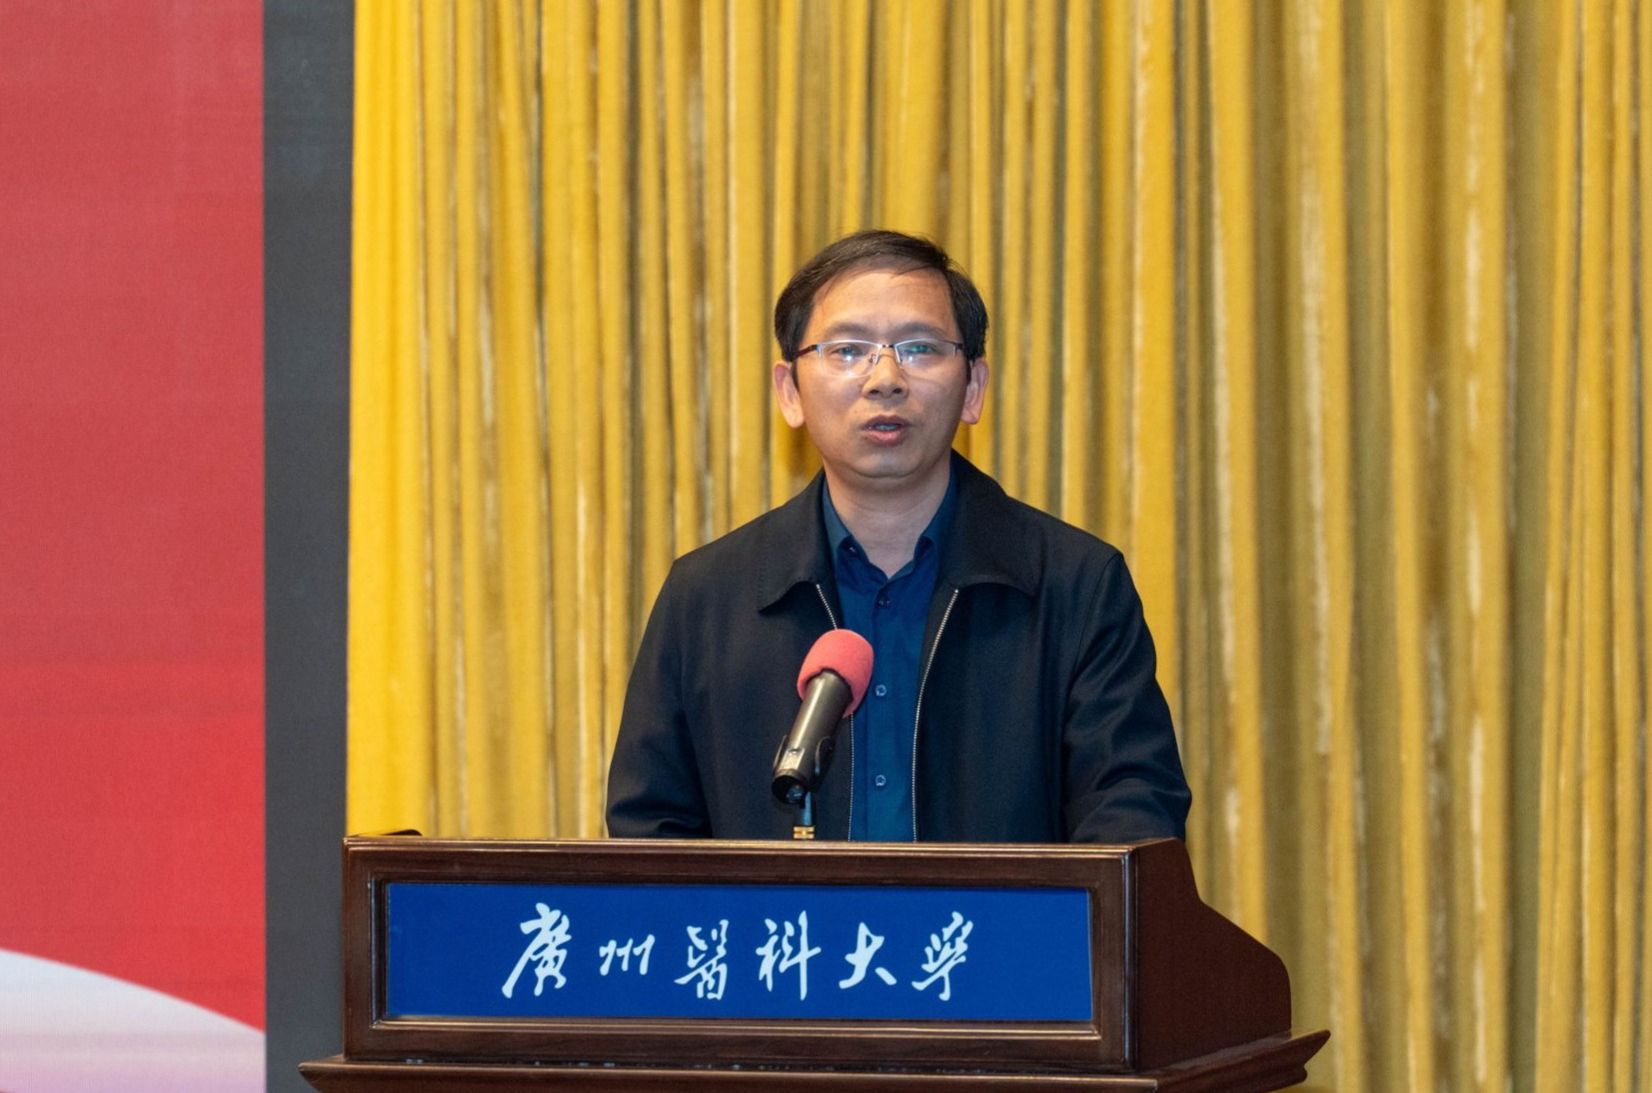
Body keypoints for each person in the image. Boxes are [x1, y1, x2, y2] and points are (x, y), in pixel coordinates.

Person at [606, 230, 1190, 843]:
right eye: (847, 350)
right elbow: (651, 838)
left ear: (973, 388)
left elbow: (1132, 819)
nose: (884, 378)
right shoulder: (706, 598)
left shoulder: (1076, 587)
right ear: (790, 392)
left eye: (919, 348)